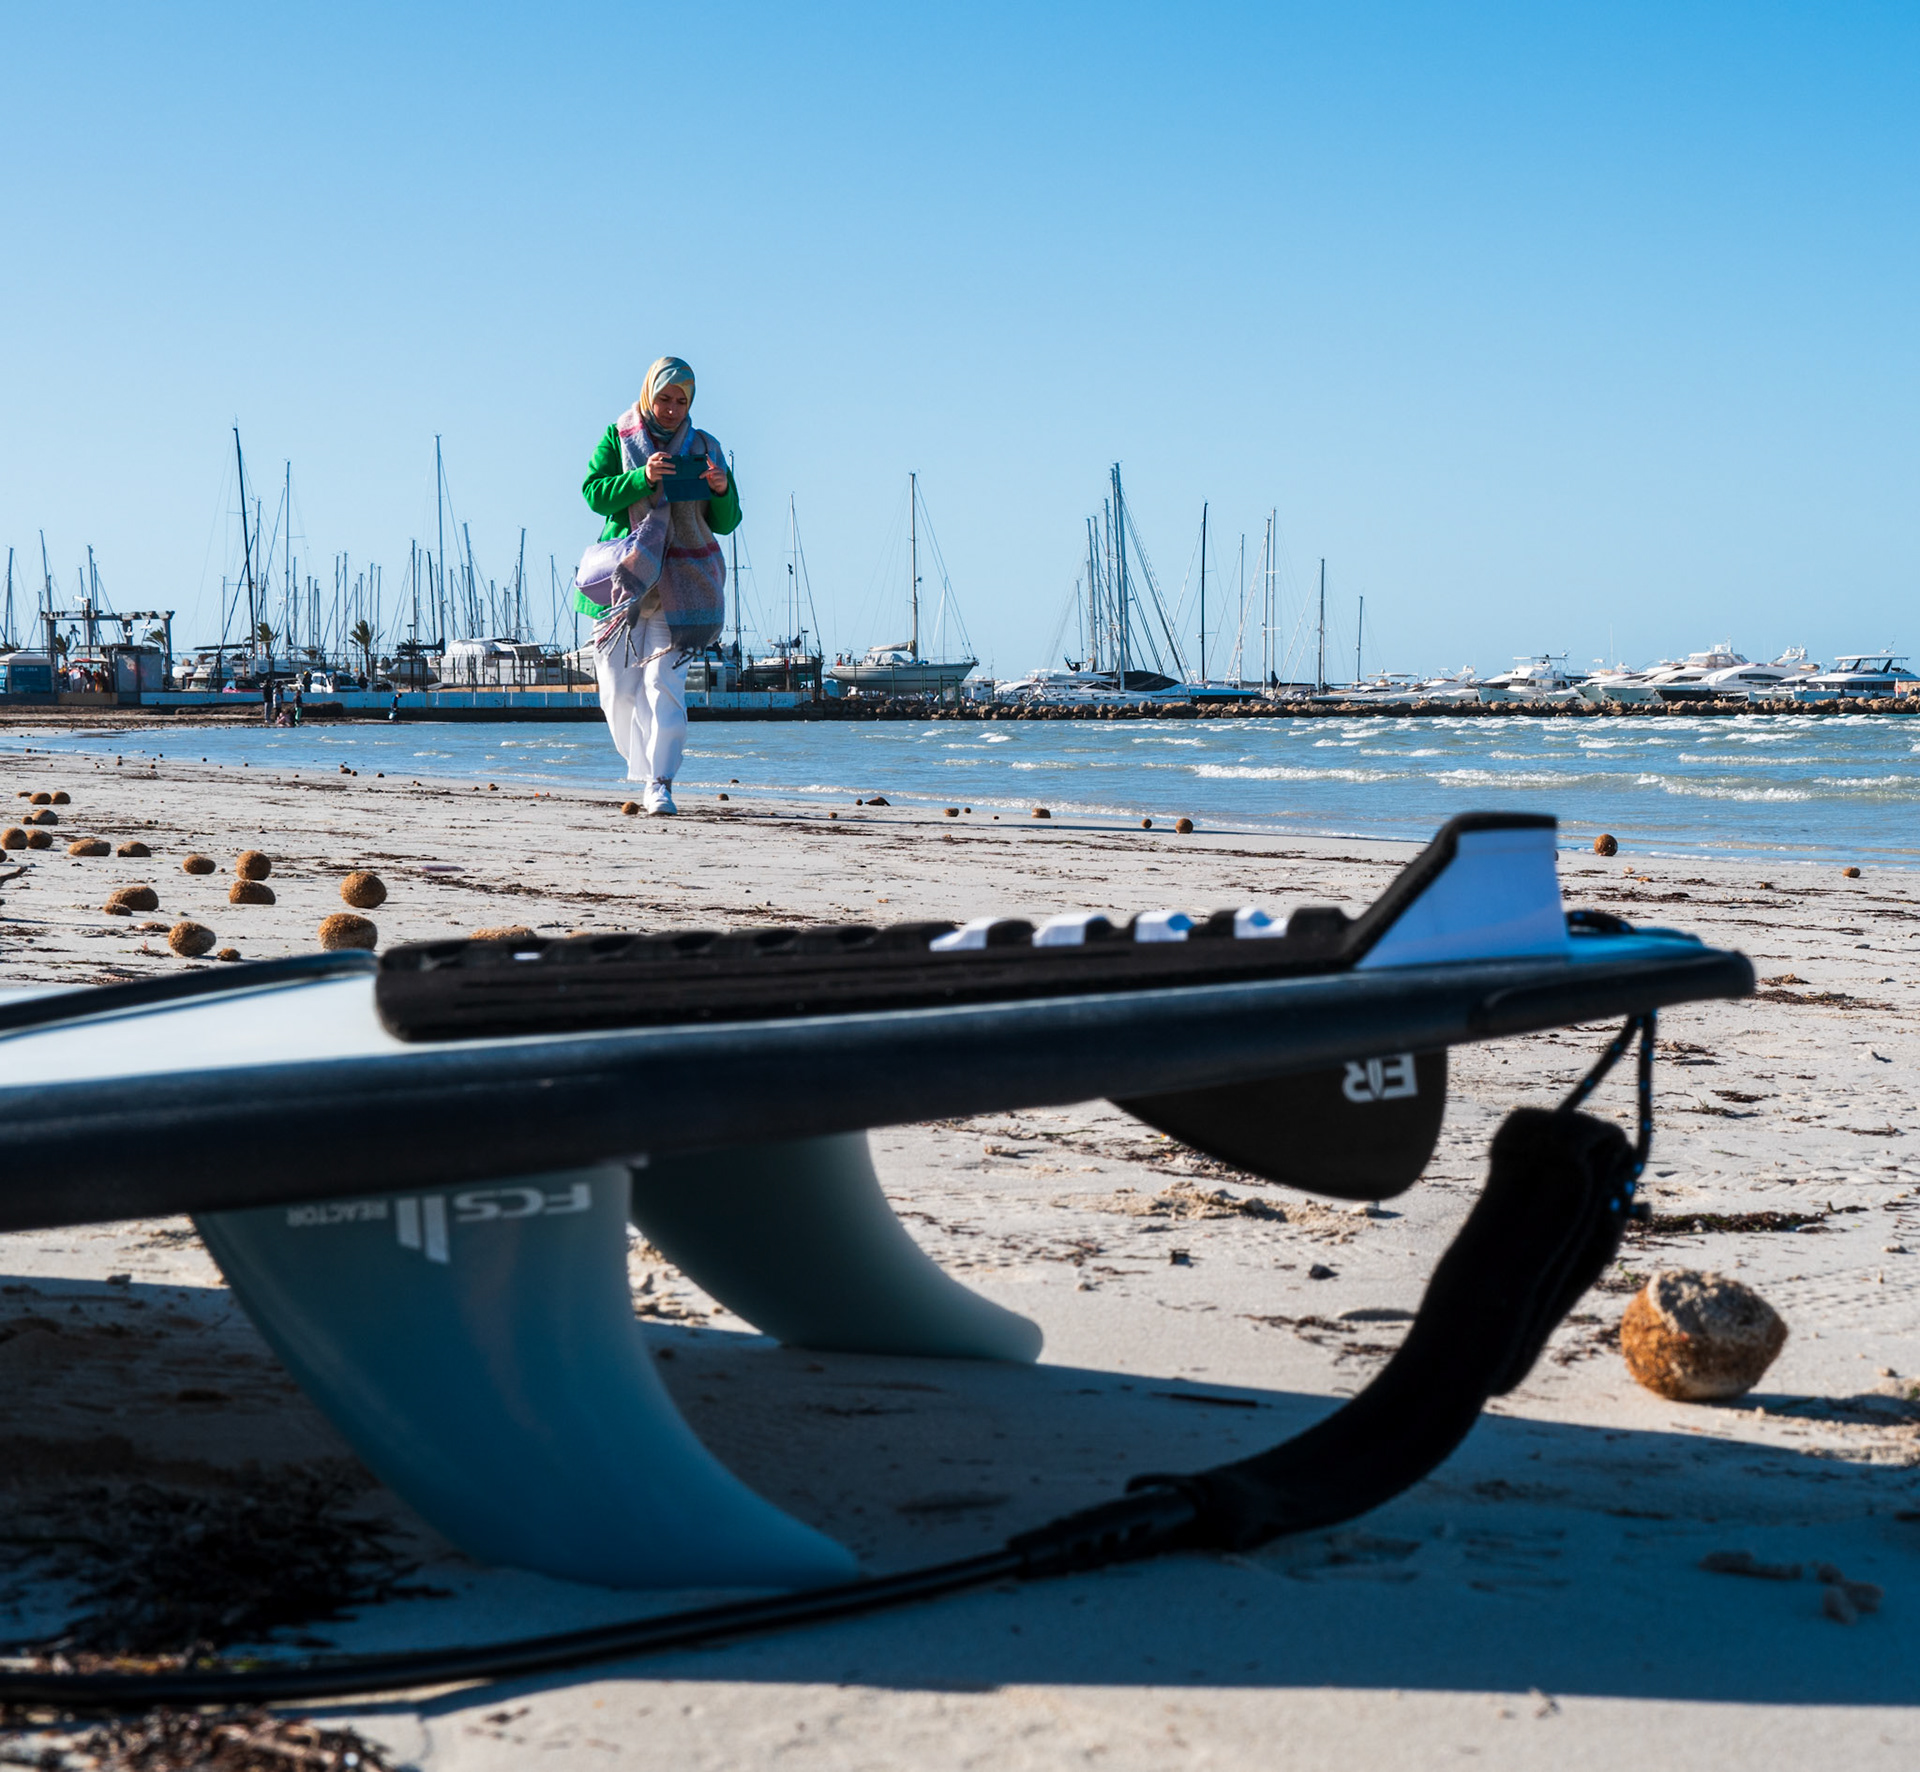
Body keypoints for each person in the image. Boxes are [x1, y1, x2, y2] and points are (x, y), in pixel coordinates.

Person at [577, 356, 738, 814]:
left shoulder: (705, 445)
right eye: (664, 398)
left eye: (681, 400)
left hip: (684, 583)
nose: (671, 408)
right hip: (624, 583)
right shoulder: (618, 435)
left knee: (662, 685)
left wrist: (722, 490)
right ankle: (644, 765)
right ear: (650, 393)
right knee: (617, 691)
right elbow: (593, 492)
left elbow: (728, 522)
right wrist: (641, 477)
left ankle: (659, 782)